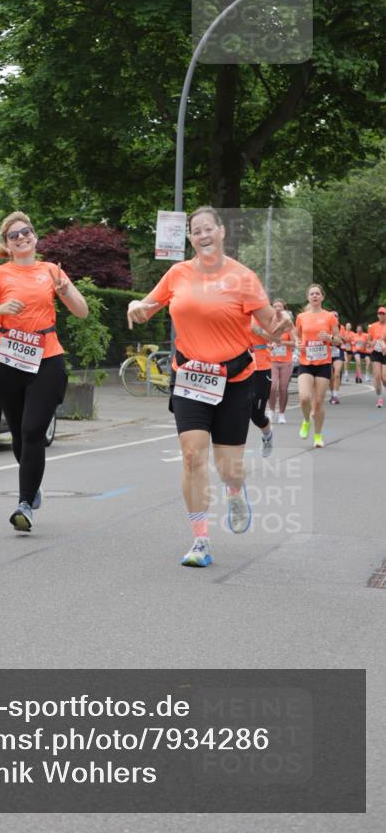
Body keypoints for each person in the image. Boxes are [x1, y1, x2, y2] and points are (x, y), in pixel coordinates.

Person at [127, 206, 292, 568]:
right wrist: (136, 306)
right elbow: (149, 306)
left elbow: (272, 326)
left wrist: (284, 321)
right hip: (189, 376)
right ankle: (200, 540)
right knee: (192, 455)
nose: (202, 235)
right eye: (195, 231)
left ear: (221, 233)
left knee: (228, 466)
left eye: (208, 229)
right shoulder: (177, 273)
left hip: (233, 380)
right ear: (190, 238)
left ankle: (235, 491)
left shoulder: (243, 278)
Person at [0, 212, 88, 532]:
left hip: (47, 358)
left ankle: (24, 504)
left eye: (27, 232)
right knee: (22, 433)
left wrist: (64, 289)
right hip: (9, 360)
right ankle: (32, 485)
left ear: (35, 237)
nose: (22, 237)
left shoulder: (51, 270)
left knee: (34, 428)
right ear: (7, 246)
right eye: (14, 235)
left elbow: (82, 311)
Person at [294, 284, 339, 449]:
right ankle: (306, 420)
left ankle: (318, 436)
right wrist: (298, 344)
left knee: (319, 402)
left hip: (323, 364)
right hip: (306, 363)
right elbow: (297, 336)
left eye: (317, 293)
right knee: (304, 398)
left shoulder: (329, 317)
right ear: (308, 297)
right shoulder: (301, 317)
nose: (314, 296)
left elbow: (339, 340)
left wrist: (329, 337)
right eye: (311, 294)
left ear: (322, 297)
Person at [267, 299, 294, 423]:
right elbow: (263, 341)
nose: (277, 309)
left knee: (283, 388)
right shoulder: (268, 324)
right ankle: (271, 411)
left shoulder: (289, 326)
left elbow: (294, 343)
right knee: (272, 387)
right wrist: (269, 345)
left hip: (286, 361)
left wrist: (281, 342)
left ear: (284, 309)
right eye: (275, 307)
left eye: (280, 307)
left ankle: (282, 413)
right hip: (271, 360)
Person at [248, 319, 273, 456]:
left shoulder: (263, 315)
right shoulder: (232, 310)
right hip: (238, 367)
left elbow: (277, 338)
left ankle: (267, 436)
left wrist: (258, 330)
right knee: (235, 412)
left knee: (257, 416)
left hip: (261, 368)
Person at [367, 306, 386, 408]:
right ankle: (379, 399)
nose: (381, 315)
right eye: (380, 313)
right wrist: (372, 343)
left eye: (383, 314)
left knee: (384, 378)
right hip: (376, 353)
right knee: (377, 376)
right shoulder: (373, 326)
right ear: (377, 315)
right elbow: (369, 341)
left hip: (385, 353)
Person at [329, 310, 343, 404]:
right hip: (327, 353)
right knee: (330, 376)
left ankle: (335, 395)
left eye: (336, 316)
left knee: (337, 374)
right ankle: (332, 393)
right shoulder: (324, 327)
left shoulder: (341, 327)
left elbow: (342, 340)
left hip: (338, 352)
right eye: (332, 316)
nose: (334, 318)